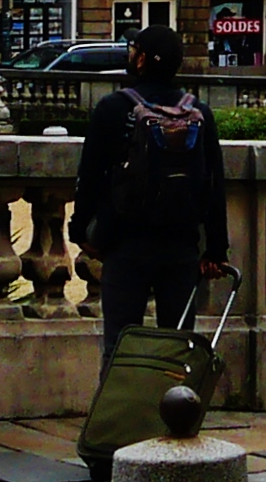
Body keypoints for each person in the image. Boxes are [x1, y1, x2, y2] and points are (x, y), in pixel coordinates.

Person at [72, 24, 227, 367]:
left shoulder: (113, 108)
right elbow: (214, 184)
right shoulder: (199, 113)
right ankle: (170, 401)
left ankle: (121, 402)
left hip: (126, 245)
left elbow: (91, 178)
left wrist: (81, 231)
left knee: (120, 347)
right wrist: (216, 249)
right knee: (177, 348)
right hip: (182, 248)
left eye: (134, 51)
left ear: (141, 60)